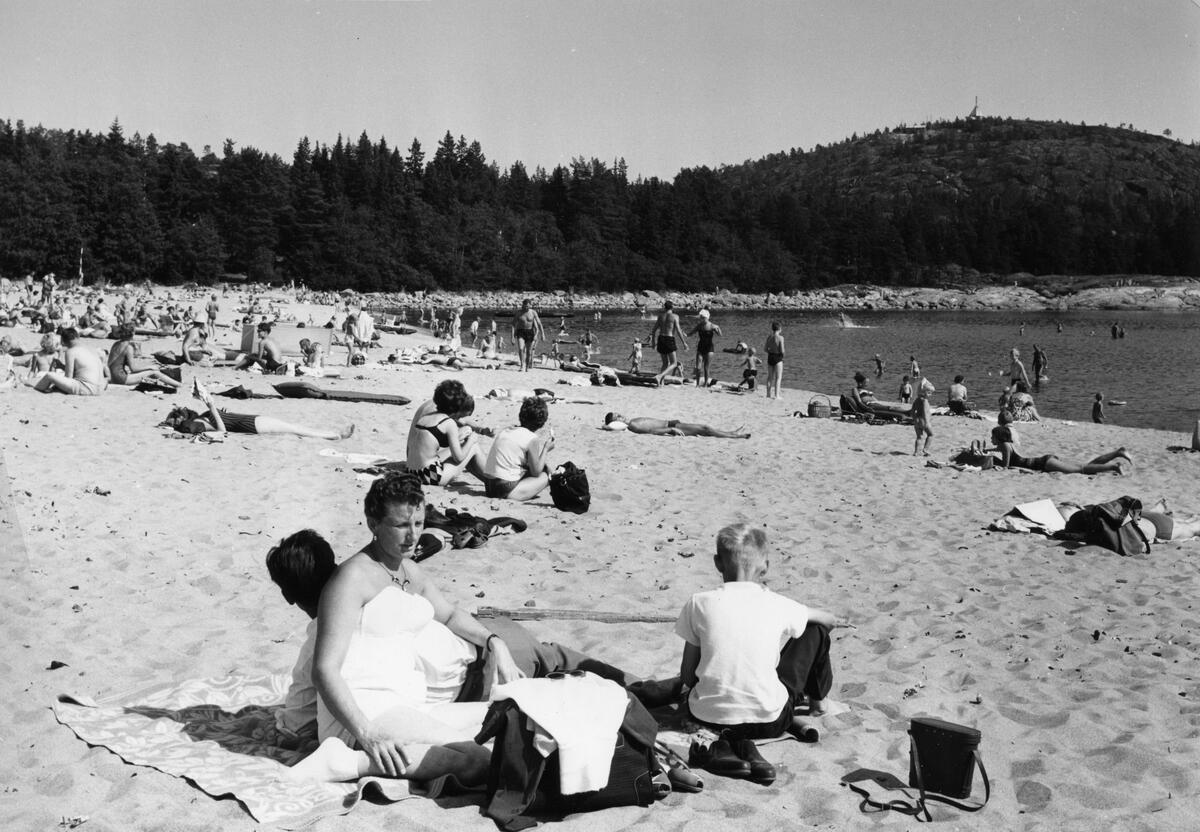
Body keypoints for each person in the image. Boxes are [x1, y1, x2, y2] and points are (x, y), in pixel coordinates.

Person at [267, 477, 638, 782]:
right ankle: (346, 762)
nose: (412, 536)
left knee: (513, 716)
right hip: (367, 711)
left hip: (409, 703)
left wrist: (495, 642)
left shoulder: (407, 570)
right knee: (476, 759)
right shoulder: (350, 580)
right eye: (400, 525)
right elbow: (324, 669)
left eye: (418, 523)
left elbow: (448, 614)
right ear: (372, 523)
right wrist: (366, 733)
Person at [676, 524, 842, 781]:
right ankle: (818, 703)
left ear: (718, 563)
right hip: (770, 722)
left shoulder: (699, 602)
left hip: (708, 718)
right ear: (765, 567)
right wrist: (826, 622)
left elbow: (688, 675)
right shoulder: (777, 603)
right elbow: (826, 620)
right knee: (815, 629)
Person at [165, 380, 354, 440]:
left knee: (295, 428)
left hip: (253, 421)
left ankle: (334, 434)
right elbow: (222, 431)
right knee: (296, 429)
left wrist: (213, 409)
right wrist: (211, 405)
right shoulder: (198, 423)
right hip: (253, 425)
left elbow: (223, 422)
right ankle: (335, 435)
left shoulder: (202, 418)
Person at [988, 411, 1129, 474]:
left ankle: (1113, 466)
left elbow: (1005, 466)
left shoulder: (1005, 446)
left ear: (999, 437)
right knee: (1084, 465)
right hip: (1045, 460)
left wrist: (992, 463)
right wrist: (987, 452)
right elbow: (998, 452)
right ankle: (1117, 453)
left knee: (1081, 470)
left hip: (1044, 464)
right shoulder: (1007, 444)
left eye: (992, 437)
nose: (990, 439)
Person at [405, 380, 489, 486]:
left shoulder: (426, 417)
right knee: (473, 447)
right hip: (430, 475)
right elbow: (458, 458)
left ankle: (489, 481)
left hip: (411, 472)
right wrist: (471, 440)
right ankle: (494, 481)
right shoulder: (449, 423)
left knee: (463, 447)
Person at [482, 397, 554, 500]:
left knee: (537, 467)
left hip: (489, 486)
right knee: (546, 475)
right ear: (542, 422)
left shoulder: (507, 430)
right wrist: (546, 449)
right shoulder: (531, 438)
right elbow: (536, 472)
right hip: (504, 488)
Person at [28, 328, 105, 395]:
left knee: (49, 376)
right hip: (100, 389)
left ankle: (35, 388)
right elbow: (81, 370)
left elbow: (68, 378)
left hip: (86, 388)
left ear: (63, 341)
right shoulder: (91, 349)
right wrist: (62, 366)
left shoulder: (71, 351)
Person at [107, 324, 181, 390]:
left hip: (112, 377)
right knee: (154, 372)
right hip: (121, 379)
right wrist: (150, 367)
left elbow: (118, 362)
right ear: (132, 333)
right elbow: (133, 369)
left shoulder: (116, 344)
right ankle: (179, 385)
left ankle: (175, 383)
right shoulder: (128, 348)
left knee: (149, 371)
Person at [604, 412, 750, 439]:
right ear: (617, 422)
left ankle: (730, 433)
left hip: (672, 423)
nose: (621, 415)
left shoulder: (633, 421)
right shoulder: (633, 425)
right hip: (673, 426)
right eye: (618, 416)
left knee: (705, 430)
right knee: (705, 429)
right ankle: (734, 436)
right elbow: (652, 431)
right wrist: (671, 429)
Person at [648, 301, 687, 380]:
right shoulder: (675, 316)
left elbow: (653, 330)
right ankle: (660, 376)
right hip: (669, 339)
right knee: (674, 363)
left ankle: (660, 382)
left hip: (661, 339)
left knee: (665, 363)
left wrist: (653, 342)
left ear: (664, 307)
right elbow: (678, 330)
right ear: (672, 307)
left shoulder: (660, 316)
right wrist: (684, 343)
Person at [689, 309, 721, 388]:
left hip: (709, 348)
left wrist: (718, 328)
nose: (701, 319)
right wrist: (685, 334)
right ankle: (697, 384)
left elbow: (720, 335)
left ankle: (705, 384)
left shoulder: (712, 326)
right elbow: (691, 333)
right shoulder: (699, 326)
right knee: (698, 367)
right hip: (700, 347)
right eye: (701, 317)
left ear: (707, 317)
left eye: (703, 317)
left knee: (706, 367)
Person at [511, 299, 543, 372]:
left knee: (529, 352)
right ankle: (522, 365)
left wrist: (542, 334)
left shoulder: (533, 312)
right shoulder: (519, 313)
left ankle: (527, 366)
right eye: (525, 306)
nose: (526, 308)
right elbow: (513, 325)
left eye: (528, 306)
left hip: (530, 332)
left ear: (530, 305)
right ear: (523, 305)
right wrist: (512, 337)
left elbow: (539, 323)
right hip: (520, 332)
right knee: (521, 349)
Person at [910, 378, 934, 456]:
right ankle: (925, 449)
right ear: (924, 392)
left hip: (917, 421)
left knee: (919, 437)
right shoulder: (925, 401)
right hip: (924, 421)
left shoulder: (916, 400)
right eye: (929, 393)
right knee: (931, 435)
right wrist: (927, 422)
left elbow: (912, 411)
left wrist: (914, 419)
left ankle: (916, 452)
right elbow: (924, 412)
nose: (931, 395)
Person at [764, 322, 784, 400]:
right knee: (778, 378)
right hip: (777, 357)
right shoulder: (780, 338)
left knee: (770, 377)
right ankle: (776, 395)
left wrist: (770, 351)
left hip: (770, 356)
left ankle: (768, 394)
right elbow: (782, 350)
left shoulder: (769, 337)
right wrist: (782, 355)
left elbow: (765, 349)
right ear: (779, 329)